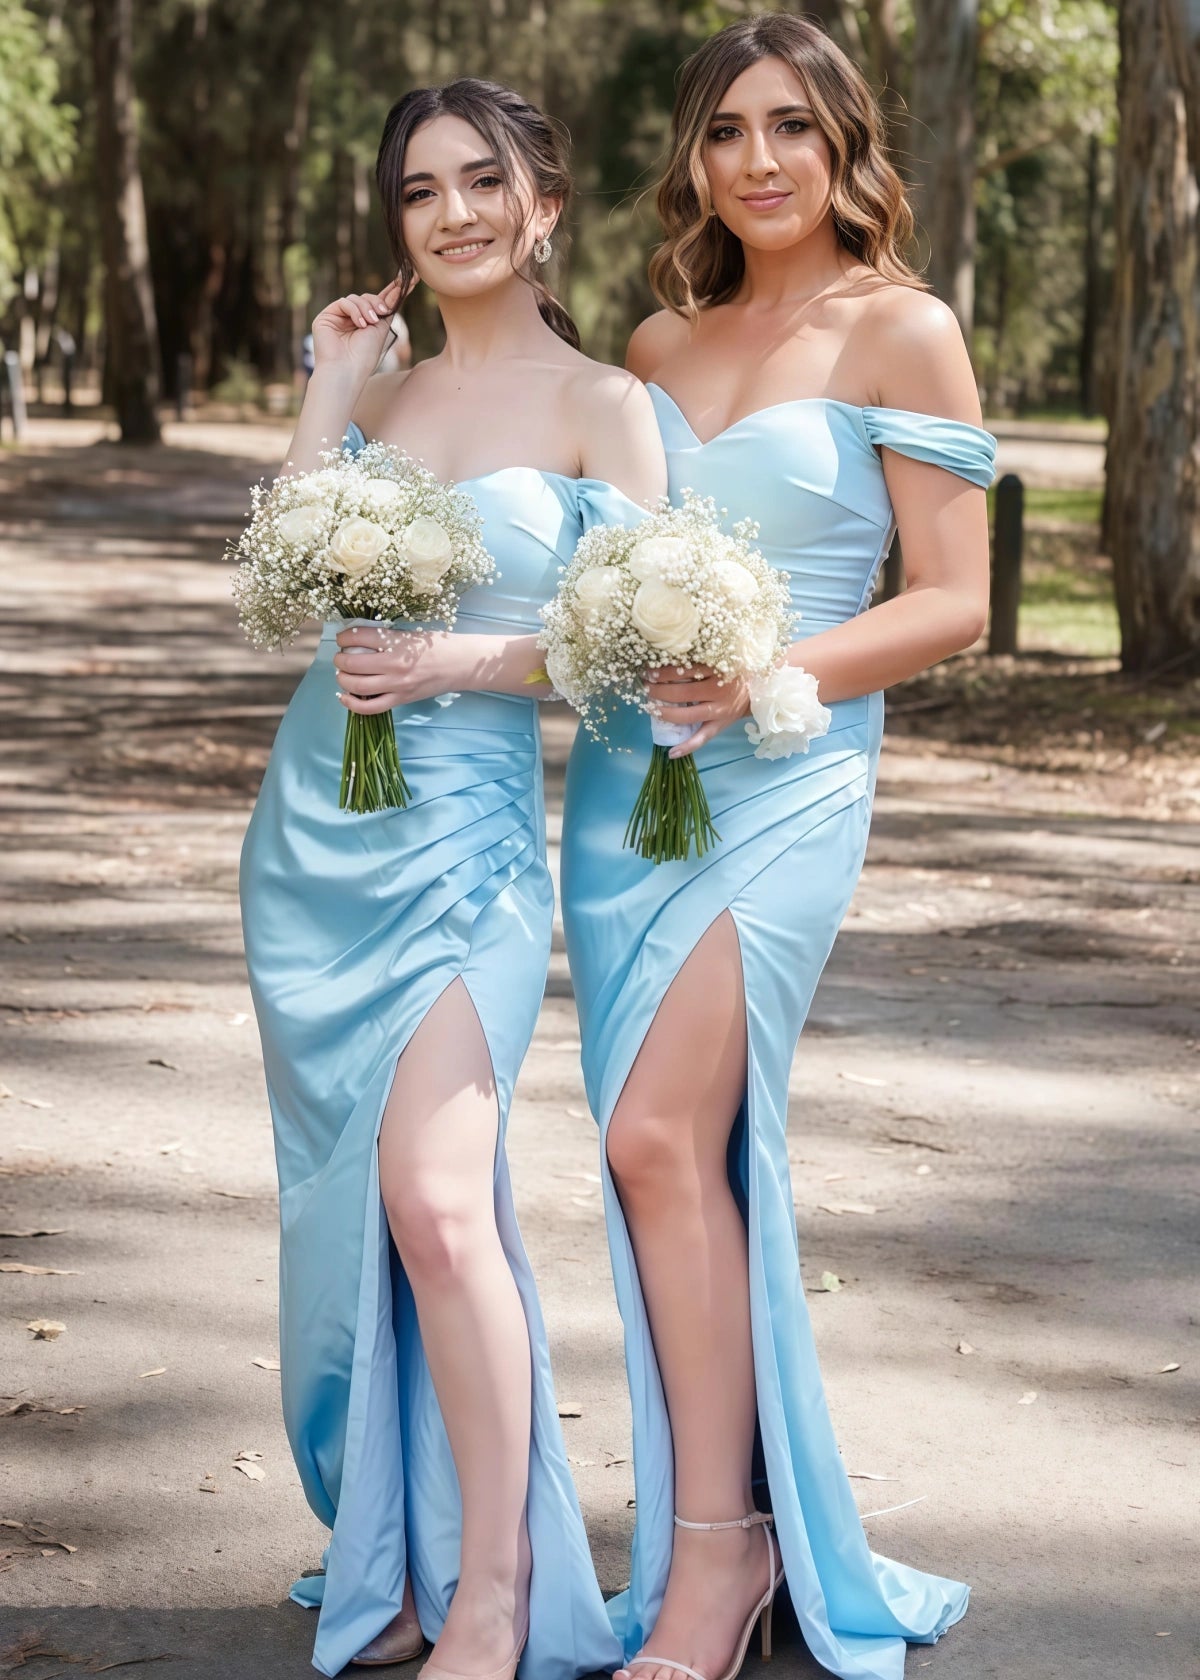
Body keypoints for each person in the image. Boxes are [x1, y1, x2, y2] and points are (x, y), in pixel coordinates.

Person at [560, 15, 996, 1680]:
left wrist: (770, 674)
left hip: (793, 773)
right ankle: (723, 1524)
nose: (759, 160)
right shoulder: (658, 346)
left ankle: (720, 1559)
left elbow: (954, 601)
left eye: (793, 128)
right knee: (662, 1152)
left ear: (844, 146)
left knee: (666, 1139)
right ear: (693, 156)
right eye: (729, 129)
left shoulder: (907, 329)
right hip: (628, 781)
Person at [240, 76, 664, 1680]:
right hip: (315, 837)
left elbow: (636, 650)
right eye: (420, 192)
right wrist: (331, 390)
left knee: (435, 1196)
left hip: (469, 844)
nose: (454, 213)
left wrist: (460, 661)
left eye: (482, 181)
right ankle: (389, 1551)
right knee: (348, 1209)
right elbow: (283, 592)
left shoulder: (605, 406)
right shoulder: (387, 387)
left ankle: (494, 1586)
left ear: (545, 200)